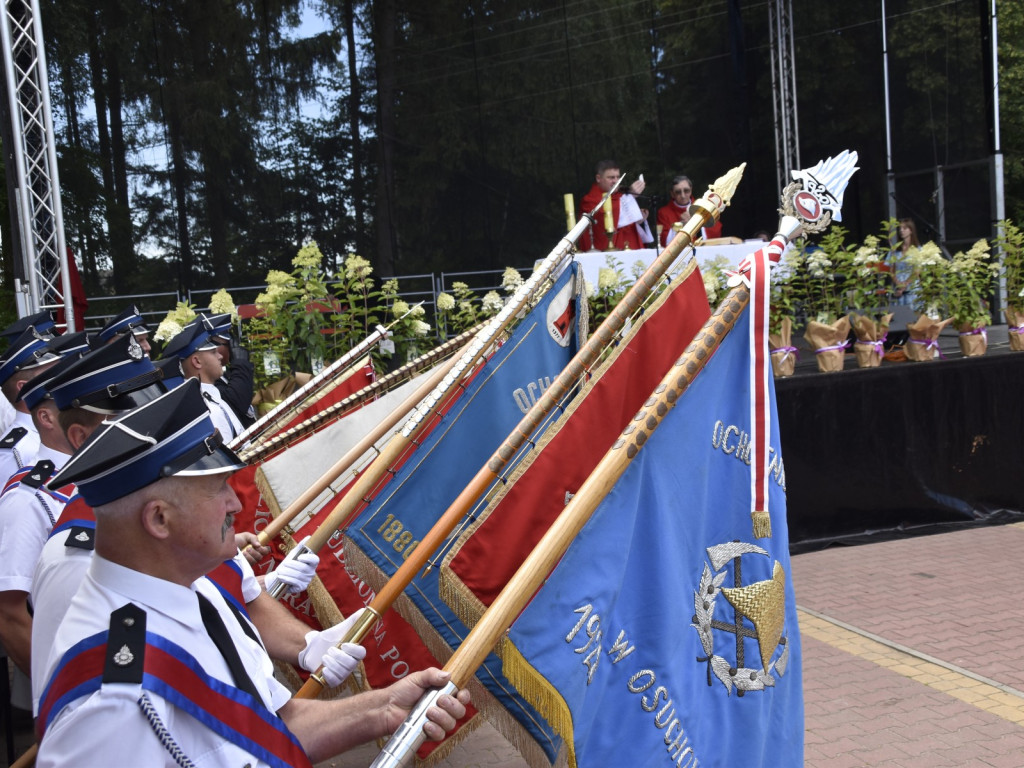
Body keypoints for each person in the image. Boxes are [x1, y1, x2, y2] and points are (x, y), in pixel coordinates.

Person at [36, 382, 469, 767]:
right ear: (160, 519)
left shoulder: (197, 592)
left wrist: (385, 709)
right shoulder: (112, 700)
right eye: (217, 488)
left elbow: (273, 725)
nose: (235, 505)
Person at [161, 315, 245, 442]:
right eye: (213, 352)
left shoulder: (209, 396)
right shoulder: (204, 407)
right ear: (197, 361)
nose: (220, 356)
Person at [578, 159, 651, 251]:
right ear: (598, 178)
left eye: (618, 177)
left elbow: (622, 220)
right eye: (611, 177)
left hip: (631, 249)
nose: (616, 181)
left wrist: (639, 220)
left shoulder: (620, 196)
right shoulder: (589, 200)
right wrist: (630, 196)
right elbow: (606, 216)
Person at [207, 313, 257, 428]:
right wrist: (240, 364)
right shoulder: (205, 381)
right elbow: (239, 403)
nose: (233, 349)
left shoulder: (220, 374)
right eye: (228, 344)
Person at [656, 174, 722, 247]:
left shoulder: (703, 207)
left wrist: (695, 223)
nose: (683, 195)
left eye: (686, 190)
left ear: (691, 190)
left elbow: (715, 232)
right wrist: (681, 224)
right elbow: (663, 241)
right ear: (672, 194)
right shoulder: (664, 212)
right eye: (678, 192)